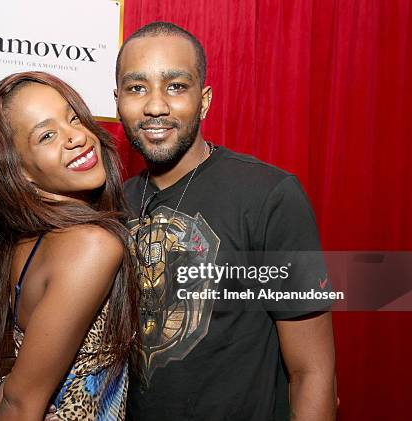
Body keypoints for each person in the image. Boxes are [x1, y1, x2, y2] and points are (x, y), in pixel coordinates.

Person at [115, 22, 337, 420]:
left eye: (176, 86)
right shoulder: (114, 204)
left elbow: (313, 372)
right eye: (137, 88)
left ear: (204, 100)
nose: (155, 105)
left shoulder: (269, 196)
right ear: (118, 101)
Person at [0, 71, 140, 421]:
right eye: (47, 135)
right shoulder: (92, 244)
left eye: (73, 118)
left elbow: (19, 391)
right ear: (19, 171)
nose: (77, 137)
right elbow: (21, 403)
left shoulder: (28, 242)